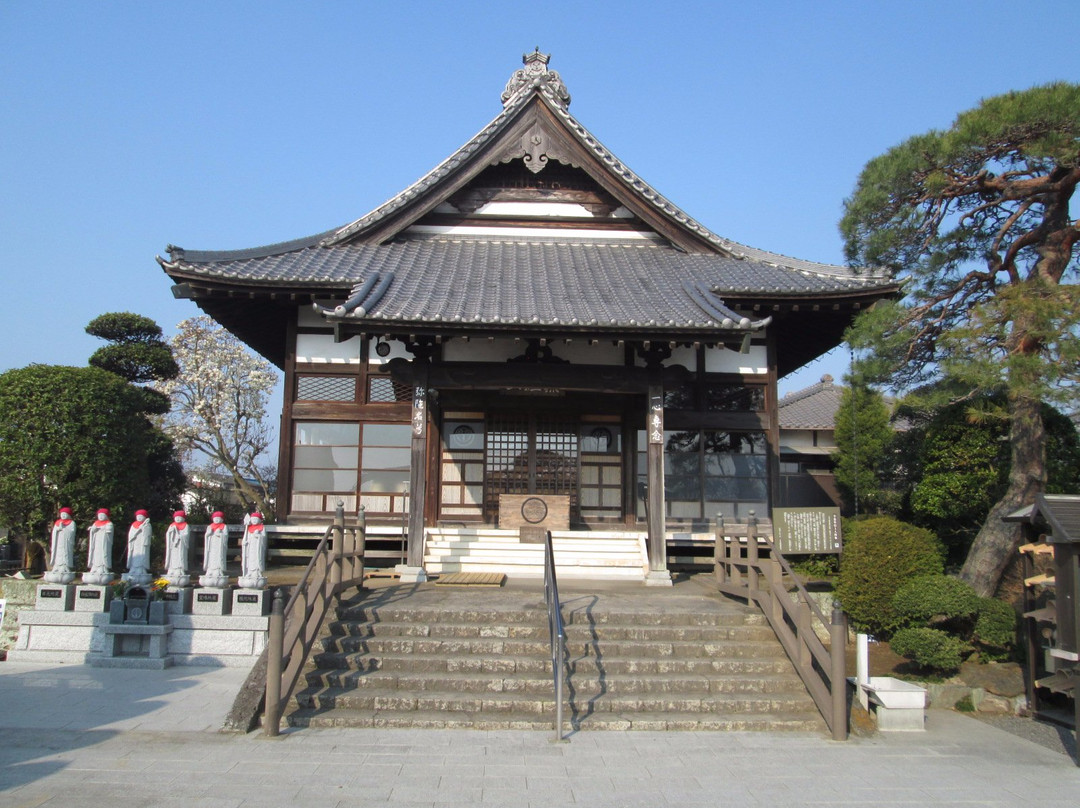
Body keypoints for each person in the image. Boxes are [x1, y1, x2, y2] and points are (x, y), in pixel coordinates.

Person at [44, 507, 76, 584]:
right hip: (58, 543)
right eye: (62, 514)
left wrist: (64, 529)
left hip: (66, 543)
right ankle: (56, 566)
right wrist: (58, 529)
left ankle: (65, 567)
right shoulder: (57, 522)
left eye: (65, 514)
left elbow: (72, 532)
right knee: (58, 554)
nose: (63, 516)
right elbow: (54, 532)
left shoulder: (71, 523)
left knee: (65, 553)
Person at [83, 508, 113, 585]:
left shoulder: (109, 523)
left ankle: (102, 568)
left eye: (103, 515)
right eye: (99, 515)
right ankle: (94, 568)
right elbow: (92, 530)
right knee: (95, 554)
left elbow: (109, 530)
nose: (101, 517)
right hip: (96, 543)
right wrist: (92, 529)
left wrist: (101, 528)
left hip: (104, 543)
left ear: (106, 516)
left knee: (103, 554)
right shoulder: (95, 523)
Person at [200, 511, 229, 588]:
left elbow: (225, 536)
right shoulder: (210, 527)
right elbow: (206, 536)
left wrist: (220, 534)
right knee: (211, 557)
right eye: (215, 518)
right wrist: (208, 534)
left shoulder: (224, 526)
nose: (216, 520)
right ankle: (210, 570)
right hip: (211, 546)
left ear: (222, 519)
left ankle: (218, 571)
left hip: (219, 547)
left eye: (218, 518)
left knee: (218, 557)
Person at [238, 511, 267, 589]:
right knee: (250, 560)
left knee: (256, 559)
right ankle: (249, 572)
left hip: (257, 548)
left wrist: (258, 536)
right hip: (250, 548)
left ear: (260, 520)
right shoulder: (248, 529)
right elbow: (245, 539)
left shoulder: (262, 528)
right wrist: (244, 542)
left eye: (256, 519)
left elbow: (263, 538)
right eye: (253, 519)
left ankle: (256, 573)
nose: (254, 520)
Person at [123, 509, 153, 584]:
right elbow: (130, 535)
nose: (139, 518)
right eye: (138, 516)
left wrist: (143, 529)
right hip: (135, 543)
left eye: (141, 516)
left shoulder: (147, 525)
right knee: (134, 555)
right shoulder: (134, 525)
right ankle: (133, 568)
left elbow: (147, 535)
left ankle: (141, 568)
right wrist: (133, 536)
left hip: (142, 544)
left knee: (142, 554)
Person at [164, 510, 191, 587]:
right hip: (173, 546)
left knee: (180, 556)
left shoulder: (185, 526)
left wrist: (181, 537)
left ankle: (179, 570)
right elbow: (168, 534)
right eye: (176, 517)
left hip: (181, 546)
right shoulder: (172, 526)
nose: (178, 519)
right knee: (172, 557)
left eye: (180, 517)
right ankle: (171, 569)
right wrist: (170, 532)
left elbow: (186, 535)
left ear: (183, 518)